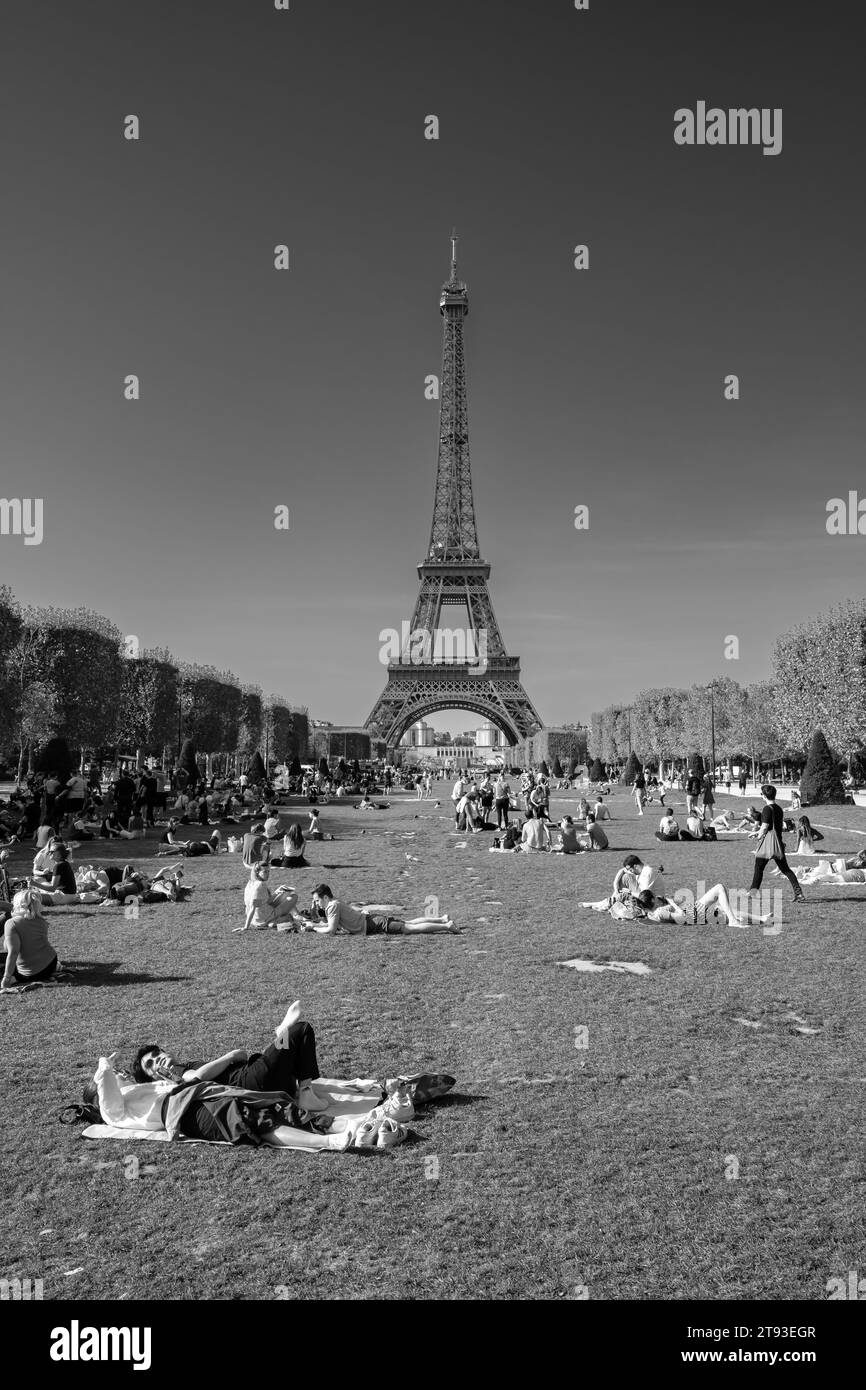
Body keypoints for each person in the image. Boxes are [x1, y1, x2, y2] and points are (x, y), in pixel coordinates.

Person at [306, 884, 459, 935]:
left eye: (317, 900)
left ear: (325, 897)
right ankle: (442, 919)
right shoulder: (334, 903)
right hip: (372, 921)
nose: (317, 904)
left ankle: (446, 926)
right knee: (409, 923)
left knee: (410, 928)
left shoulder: (332, 906)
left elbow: (331, 930)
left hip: (374, 924)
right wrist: (313, 925)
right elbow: (329, 925)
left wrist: (314, 928)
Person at [748, 785, 804, 903]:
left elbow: (765, 828)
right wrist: (757, 833)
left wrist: (758, 836)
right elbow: (772, 827)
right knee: (786, 869)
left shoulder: (767, 809)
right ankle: (798, 893)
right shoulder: (779, 808)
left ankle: (753, 893)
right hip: (778, 843)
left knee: (758, 868)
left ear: (764, 795)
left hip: (768, 843)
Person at [1, 889, 60, 990]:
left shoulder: (12, 923)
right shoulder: (41, 921)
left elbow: (13, 952)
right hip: (51, 963)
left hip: (30, 972)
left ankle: (15, 978)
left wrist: (6, 978)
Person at [240, 865, 299, 931]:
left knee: (286, 894)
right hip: (266, 916)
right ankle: (281, 919)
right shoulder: (260, 885)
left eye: (268, 871)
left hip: (255, 920)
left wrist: (277, 892)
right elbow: (253, 907)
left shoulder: (250, 883)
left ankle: (275, 922)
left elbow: (266, 901)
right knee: (293, 896)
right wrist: (246, 927)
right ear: (257, 872)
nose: (268, 874)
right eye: (265, 872)